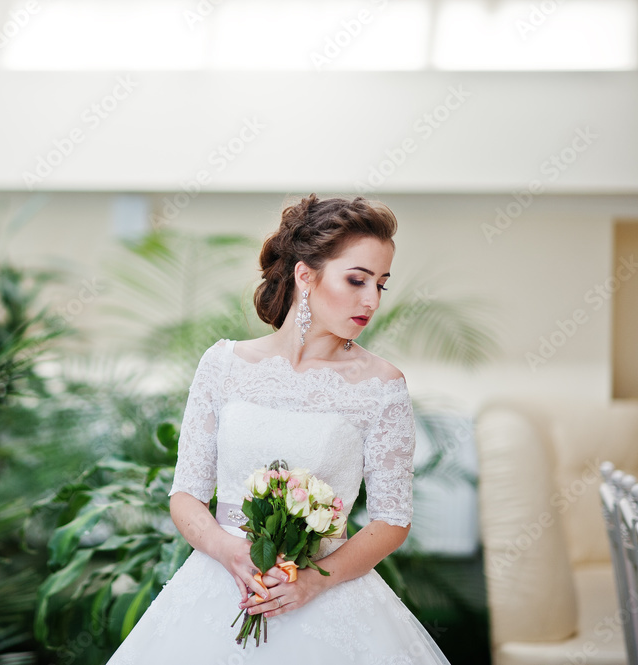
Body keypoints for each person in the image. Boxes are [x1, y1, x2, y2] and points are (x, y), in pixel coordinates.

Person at [106, 194, 451, 664]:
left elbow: (392, 520)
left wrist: (312, 581)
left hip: (327, 597)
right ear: (305, 275)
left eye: (381, 285)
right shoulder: (223, 365)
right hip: (219, 587)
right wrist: (228, 551)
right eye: (356, 279)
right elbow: (186, 494)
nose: (371, 300)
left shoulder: (381, 386)